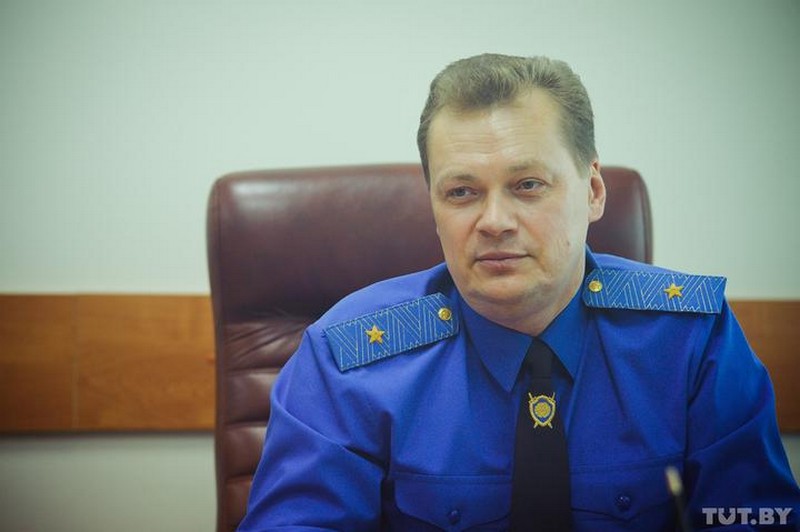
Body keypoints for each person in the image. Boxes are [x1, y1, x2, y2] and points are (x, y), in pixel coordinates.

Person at [238, 54, 799, 530]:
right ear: (433, 205)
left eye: (528, 185)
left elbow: (753, 516)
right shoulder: (348, 359)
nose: (494, 222)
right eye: (461, 192)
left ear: (593, 191)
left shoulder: (690, 341)